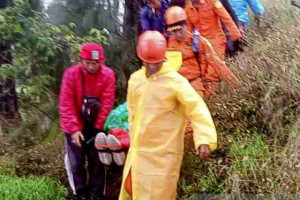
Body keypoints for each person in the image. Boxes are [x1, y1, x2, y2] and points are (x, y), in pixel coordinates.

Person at [118, 30, 218, 199]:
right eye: (148, 62)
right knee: (133, 191)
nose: (152, 66)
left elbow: (196, 108)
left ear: (163, 57)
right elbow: (132, 113)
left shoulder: (176, 82)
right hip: (139, 153)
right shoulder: (135, 80)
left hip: (164, 157)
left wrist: (204, 139)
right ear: (141, 58)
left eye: (156, 62)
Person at [59, 43, 116, 200]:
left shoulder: (108, 75)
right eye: (88, 63)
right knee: (75, 163)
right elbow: (66, 103)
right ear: (81, 61)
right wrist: (74, 130)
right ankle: (79, 193)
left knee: (97, 162)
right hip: (74, 124)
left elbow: (107, 102)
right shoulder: (71, 74)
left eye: (95, 63)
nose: (91, 66)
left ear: (101, 62)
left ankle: (96, 195)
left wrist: (98, 129)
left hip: (95, 124)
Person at [166, 6, 239, 98]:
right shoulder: (167, 46)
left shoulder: (197, 41)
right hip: (175, 87)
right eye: (173, 31)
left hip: (195, 84)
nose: (177, 34)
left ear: (186, 25)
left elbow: (218, 64)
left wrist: (236, 85)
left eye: (179, 29)